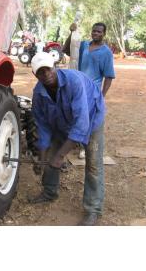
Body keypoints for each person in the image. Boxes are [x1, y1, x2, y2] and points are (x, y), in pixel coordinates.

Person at [28, 52, 106, 226]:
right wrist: (42, 157)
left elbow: (82, 123)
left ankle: (93, 209)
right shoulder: (38, 94)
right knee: (49, 156)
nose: (46, 74)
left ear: (55, 66)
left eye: (48, 69)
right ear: (35, 74)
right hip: (62, 121)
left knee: (93, 164)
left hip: (91, 117)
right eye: (40, 72)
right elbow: (43, 126)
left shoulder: (74, 82)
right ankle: (49, 192)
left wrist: (61, 156)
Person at [64, 22, 115, 159]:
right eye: (94, 31)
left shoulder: (106, 53)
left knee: (89, 118)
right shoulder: (84, 46)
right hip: (77, 87)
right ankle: (76, 143)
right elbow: (68, 50)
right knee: (76, 115)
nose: (96, 33)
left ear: (104, 34)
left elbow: (109, 76)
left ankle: (84, 148)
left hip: (92, 91)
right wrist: (71, 33)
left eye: (99, 32)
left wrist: (101, 96)